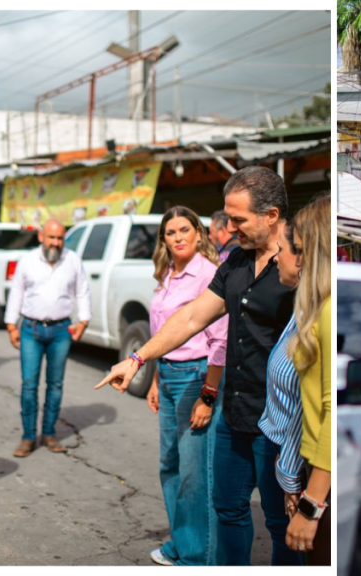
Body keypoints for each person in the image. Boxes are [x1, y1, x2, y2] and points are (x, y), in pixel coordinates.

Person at [94, 166, 301, 566]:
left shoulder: (298, 265)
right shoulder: (236, 261)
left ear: (271, 215)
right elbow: (192, 318)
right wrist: (138, 359)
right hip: (235, 416)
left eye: (238, 219)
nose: (229, 227)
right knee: (228, 509)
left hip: (279, 421)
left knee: (279, 524)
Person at [130, 208, 226, 566]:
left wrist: (208, 394)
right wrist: (155, 379)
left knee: (193, 473)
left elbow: (220, 341)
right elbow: (161, 335)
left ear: (199, 234)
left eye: (185, 229)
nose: (179, 237)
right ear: (163, 240)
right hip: (168, 376)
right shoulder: (166, 273)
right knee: (169, 465)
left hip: (196, 376)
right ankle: (182, 542)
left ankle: (198, 556)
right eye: (171, 232)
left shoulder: (209, 275)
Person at [5, 219, 92, 458]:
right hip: (31, 329)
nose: (56, 242)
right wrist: (11, 326)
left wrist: (83, 321)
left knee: (55, 385)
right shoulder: (28, 260)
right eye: (52, 237)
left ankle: (49, 433)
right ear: (42, 236)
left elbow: (82, 291)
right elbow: (17, 292)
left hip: (60, 331)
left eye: (60, 238)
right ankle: (28, 437)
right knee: (29, 385)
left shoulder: (72, 260)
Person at [277, 196, 330, 564]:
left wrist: (312, 504)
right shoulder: (314, 310)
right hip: (313, 471)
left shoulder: (327, 313)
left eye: (294, 248)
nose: (286, 257)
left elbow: (332, 413)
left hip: (325, 483)